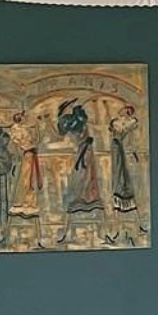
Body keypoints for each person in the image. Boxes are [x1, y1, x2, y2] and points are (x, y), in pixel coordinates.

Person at [55, 99, 103, 243]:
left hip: (85, 153)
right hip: (82, 154)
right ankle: (70, 227)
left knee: (87, 181)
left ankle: (99, 228)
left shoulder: (77, 120)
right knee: (80, 182)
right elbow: (66, 129)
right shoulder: (71, 121)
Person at [8, 110, 42, 217]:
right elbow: (19, 144)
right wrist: (29, 147)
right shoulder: (16, 129)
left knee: (29, 180)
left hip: (29, 154)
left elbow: (32, 140)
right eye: (23, 117)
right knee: (25, 180)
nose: (25, 118)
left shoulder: (23, 128)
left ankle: (29, 203)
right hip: (25, 155)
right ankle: (24, 204)